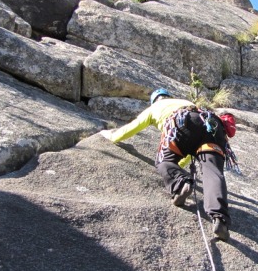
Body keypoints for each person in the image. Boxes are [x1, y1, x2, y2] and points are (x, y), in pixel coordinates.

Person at [99, 88, 238, 241]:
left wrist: (110, 135)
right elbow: (185, 154)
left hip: (182, 122)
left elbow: (130, 129)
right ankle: (220, 219)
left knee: (163, 160)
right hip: (212, 127)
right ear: (167, 96)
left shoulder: (154, 108)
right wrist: (181, 165)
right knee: (213, 172)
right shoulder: (186, 102)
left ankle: (180, 184)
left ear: (155, 100)